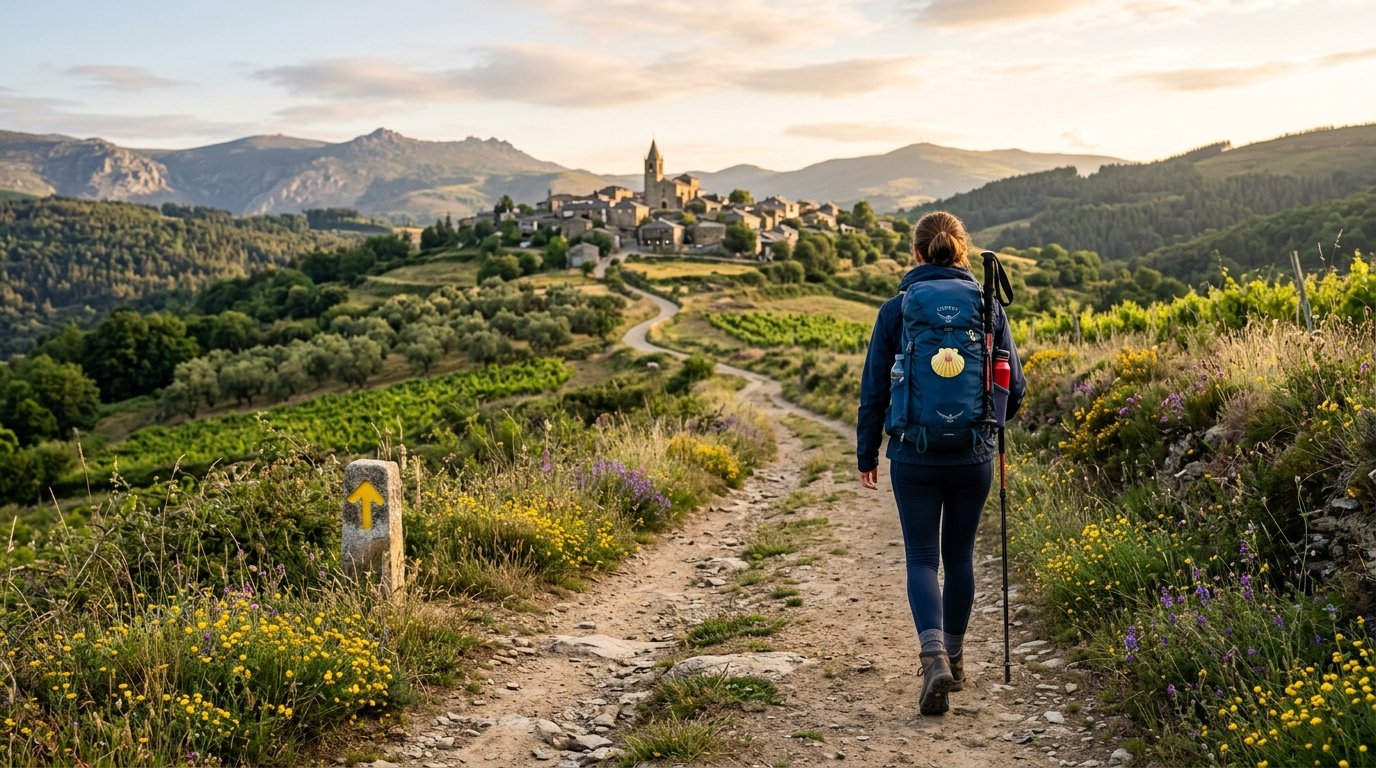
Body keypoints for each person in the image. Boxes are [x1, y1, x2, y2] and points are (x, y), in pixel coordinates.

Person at [856, 211, 1026, 716]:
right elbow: (1014, 387)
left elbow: (874, 388)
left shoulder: (897, 308)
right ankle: (954, 655)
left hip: (914, 453)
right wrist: (990, 424)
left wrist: (867, 452)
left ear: (916, 252)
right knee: (960, 558)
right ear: (962, 250)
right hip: (973, 453)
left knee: (921, 559)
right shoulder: (987, 305)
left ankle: (932, 659)